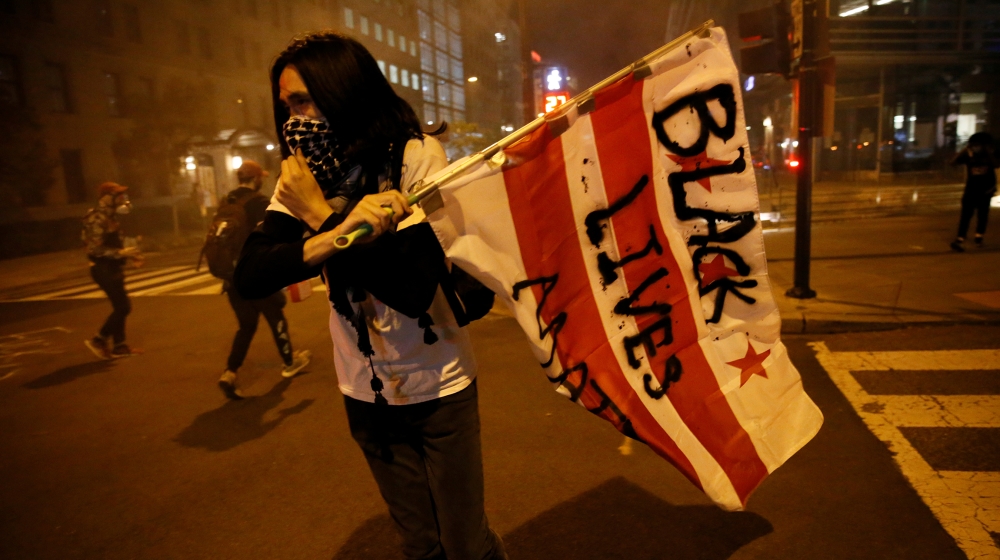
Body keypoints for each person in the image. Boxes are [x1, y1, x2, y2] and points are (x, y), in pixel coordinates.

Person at [233, 33, 506, 560]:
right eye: (285, 105)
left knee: (465, 545)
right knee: (421, 544)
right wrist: (339, 232)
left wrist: (317, 218)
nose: (293, 119)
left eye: (303, 100)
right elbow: (250, 273)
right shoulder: (305, 176)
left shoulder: (413, 156)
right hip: (366, 392)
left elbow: (410, 285)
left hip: (440, 384)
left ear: (345, 91)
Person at [217, 160, 311, 400]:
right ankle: (290, 362)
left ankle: (230, 372)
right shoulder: (258, 203)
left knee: (246, 326)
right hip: (254, 271)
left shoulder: (226, 202)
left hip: (232, 277)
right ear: (257, 179)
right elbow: (274, 234)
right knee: (275, 315)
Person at [82, 181, 141, 359]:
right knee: (123, 307)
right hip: (102, 269)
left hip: (112, 266)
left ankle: (120, 346)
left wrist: (129, 255)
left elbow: (114, 243)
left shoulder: (111, 217)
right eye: (118, 195)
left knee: (119, 306)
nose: (122, 199)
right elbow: (93, 249)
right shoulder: (96, 217)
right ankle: (99, 339)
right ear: (106, 197)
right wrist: (120, 253)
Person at [950, 131, 999, 252]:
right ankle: (960, 238)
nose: (975, 147)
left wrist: (988, 153)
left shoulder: (991, 155)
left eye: (978, 144)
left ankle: (979, 236)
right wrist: (965, 150)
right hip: (971, 189)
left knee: (983, 215)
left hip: (986, 190)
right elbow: (953, 162)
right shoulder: (969, 155)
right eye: (973, 144)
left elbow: (996, 164)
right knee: (966, 215)